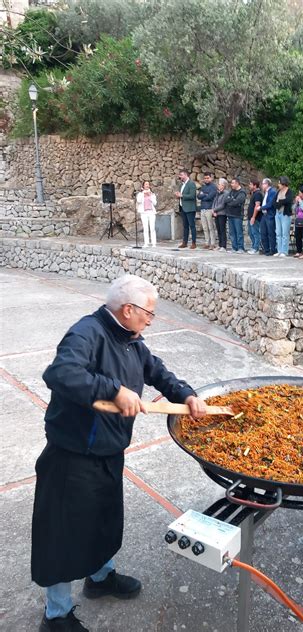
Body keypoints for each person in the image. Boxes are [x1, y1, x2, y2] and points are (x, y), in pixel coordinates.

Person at [32, 275, 207, 632]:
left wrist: (186, 395)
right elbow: (61, 373)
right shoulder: (86, 333)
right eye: (149, 313)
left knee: (103, 519)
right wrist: (114, 390)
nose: (150, 320)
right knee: (63, 534)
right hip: (72, 454)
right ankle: (56, 614)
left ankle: (100, 577)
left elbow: (156, 370)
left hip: (109, 451)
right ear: (128, 310)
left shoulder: (131, 340)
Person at [175, 169, 197, 249]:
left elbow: (192, 196)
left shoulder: (191, 184)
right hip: (182, 207)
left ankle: (194, 243)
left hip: (190, 208)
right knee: (185, 226)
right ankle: (185, 242)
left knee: (192, 225)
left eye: (181, 175)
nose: (179, 176)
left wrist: (182, 195)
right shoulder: (182, 185)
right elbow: (182, 195)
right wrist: (178, 196)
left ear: (185, 175)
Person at [225, 177, 247, 253]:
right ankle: (234, 248)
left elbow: (237, 202)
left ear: (237, 183)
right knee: (232, 233)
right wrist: (231, 200)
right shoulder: (231, 191)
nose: (231, 184)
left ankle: (241, 248)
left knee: (239, 232)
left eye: (233, 183)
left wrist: (231, 201)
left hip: (237, 215)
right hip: (230, 214)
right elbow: (226, 200)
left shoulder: (242, 192)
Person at [197, 172, 218, 249]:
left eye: (208, 178)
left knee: (210, 227)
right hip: (203, 209)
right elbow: (198, 196)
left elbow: (210, 197)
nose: (206, 179)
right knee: (205, 227)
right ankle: (207, 243)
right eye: (205, 178)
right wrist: (204, 195)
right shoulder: (203, 187)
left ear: (211, 178)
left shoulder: (213, 187)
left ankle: (212, 243)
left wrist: (204, 195)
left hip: (209, 208)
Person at [274, 176, 294, 257]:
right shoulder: (278, 192)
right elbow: (273, 202)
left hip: (285, 214)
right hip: (277, 213)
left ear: (283, 183)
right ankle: (279, 250)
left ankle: (284, 251)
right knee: (278, 233)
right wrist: (280, 203)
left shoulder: (289, 191)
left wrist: (279, 202)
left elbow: (288, 200)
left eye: (279, 183)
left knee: (285, 233)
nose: (278, 184)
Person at [135, 181, 157, 248]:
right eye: (146, 184)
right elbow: (138, 201)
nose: (147, 185)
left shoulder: (152, 194)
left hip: (151, 212)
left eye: (148, 184)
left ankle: (153, 243)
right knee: (145, 228)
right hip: (144, 213)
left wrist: (150, 196)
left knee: (152, 228)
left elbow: (155, 203)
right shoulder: (140, 194)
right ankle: (146, 243)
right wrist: (143, 194)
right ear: (143, 186)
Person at [260, 178, 277, 256]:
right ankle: (266, 249)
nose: (262, 185)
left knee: (271, 233)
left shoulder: (272, 192)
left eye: (263, 184)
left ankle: (272, 250)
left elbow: (270, 204)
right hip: (264, 215)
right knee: (263, 232)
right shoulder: (266, 192)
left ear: (267, 184)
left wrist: (261, 208)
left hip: (269, 214)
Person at [212, 178, 229, 252]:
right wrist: (213, 210)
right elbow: (214, 202)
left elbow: (222, 205)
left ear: (223, 185)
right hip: (216, 213)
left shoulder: (226, 193)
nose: (218, 185)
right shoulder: (218, 193)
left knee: (222, 230)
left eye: (219, 184)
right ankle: (220, 245)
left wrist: (214, 210)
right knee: (218, 230)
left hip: (222, 214)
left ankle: (223, 246)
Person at [247, 179, 263, 254]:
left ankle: (256, 248)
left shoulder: (258, 194)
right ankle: (253, 247)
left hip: (255, 218)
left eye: (250, 184)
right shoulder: (253, 193)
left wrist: (253, 217)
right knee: (250, 232)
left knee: (255, 232)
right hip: (251, 217)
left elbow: (257, 206)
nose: (249, 186)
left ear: (255, 185)